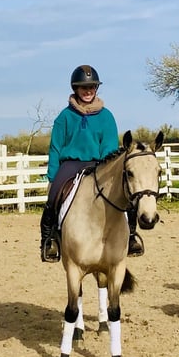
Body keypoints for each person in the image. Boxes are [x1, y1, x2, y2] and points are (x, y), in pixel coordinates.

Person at [39, 65, 143, 262]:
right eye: (83, 88)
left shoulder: (106, 116)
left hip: (99, 163)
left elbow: (110, 146)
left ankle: (130, 237)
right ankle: (49, 240)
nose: (88, 91)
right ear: (75, 89)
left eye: (92, 87)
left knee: (126, 194)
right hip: (71, 164)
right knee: (53, 197)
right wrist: (53, 176)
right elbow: (55, 148)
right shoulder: (64, 117)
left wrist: (104, 166)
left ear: (96, 88)